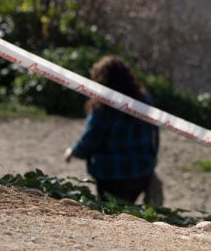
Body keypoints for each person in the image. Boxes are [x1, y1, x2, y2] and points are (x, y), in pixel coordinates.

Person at [64, 56, 159, 204]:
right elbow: (155, 135)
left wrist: (73, 151)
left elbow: (91, 139)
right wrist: (152, 159)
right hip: (140, 172)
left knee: (111, 211)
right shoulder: (145, 101)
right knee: (129, 210)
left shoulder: (103, 107)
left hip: (111, 174)